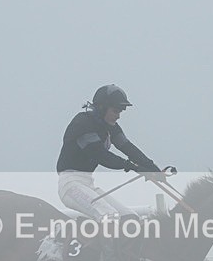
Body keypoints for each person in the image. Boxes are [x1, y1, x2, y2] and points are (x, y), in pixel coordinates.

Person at [56, 84, 164, 221]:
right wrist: (134, 167)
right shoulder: (82, 123)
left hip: (88, 185)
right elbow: (101, 156)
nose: (118, 116)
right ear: (102, 108)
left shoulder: (110, 127)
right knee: (110, 217)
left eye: (120, 112)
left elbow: (128, 148)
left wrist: (153, 168)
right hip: (71, 185)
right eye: (115, 111)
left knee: (130, 218)